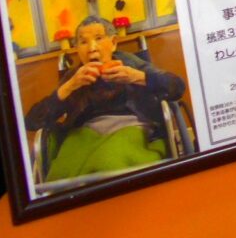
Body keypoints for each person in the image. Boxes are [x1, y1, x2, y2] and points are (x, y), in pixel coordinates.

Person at [24, 15, 186, 182]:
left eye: (98, 38)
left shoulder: (131, 65)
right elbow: (31, 122)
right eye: (83, 42)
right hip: (83, 134)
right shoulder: (74, 77)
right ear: (77, 48)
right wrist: (69, 86)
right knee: (63, 171)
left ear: (113, 42)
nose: (92, 48)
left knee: (107, 160)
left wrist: (137, 77)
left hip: (130, 127)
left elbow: (177, 87)